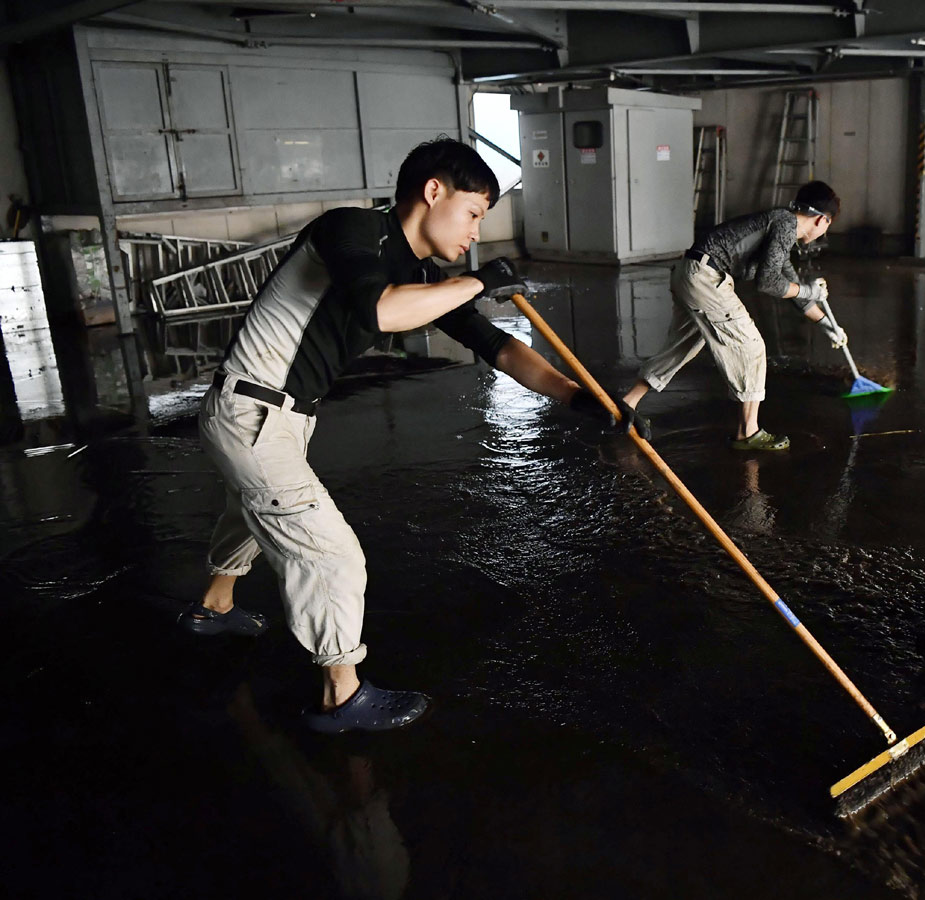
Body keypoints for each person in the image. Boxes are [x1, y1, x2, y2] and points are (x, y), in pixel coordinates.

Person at [180, 138, 647, 733]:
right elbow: (380, 311)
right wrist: (478, 282)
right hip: (253, 413)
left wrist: (584, 400)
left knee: (253, 508)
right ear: (433, 192)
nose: (477, 231)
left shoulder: (421, 275)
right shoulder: (351, 230)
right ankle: (340, 697)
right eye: (474, 213)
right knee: (329, 554)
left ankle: (213, 608)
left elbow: (499, 348)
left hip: (280, 416)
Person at [621, 181, 844, 451]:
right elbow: (768, 282)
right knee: (751, 347)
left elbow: (792, 287)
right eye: (828, 226)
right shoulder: (785, 225)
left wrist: (826, 324)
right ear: (822, 219)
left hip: (690, 270)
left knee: (684, 345)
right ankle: (749, 433)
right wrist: (810, 289)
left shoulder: (781, 226)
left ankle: (628, 402)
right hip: (707, 276)